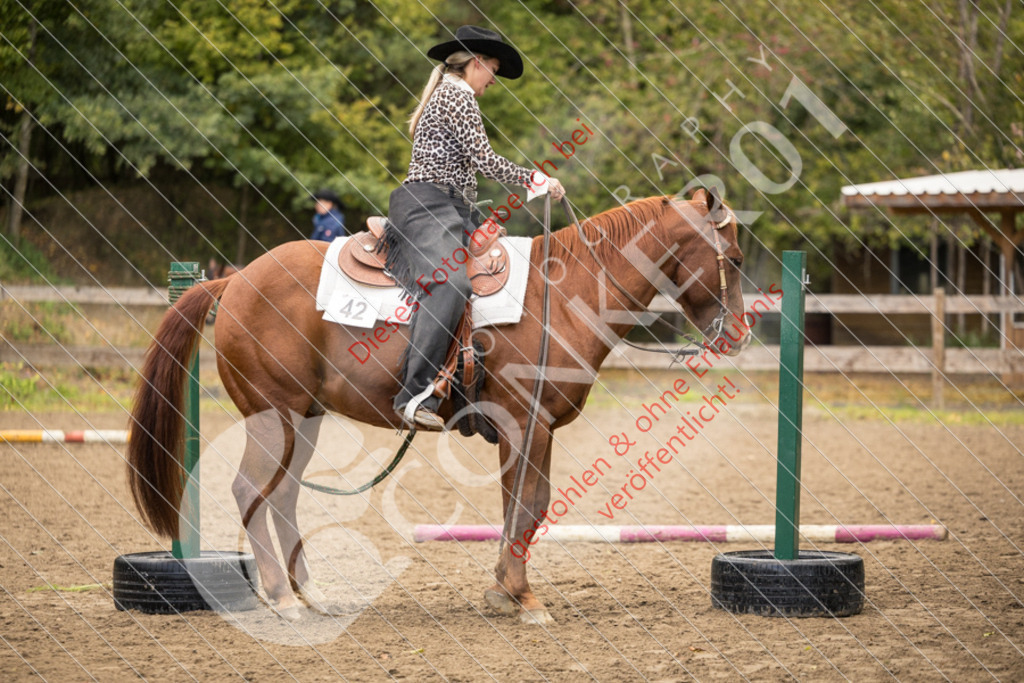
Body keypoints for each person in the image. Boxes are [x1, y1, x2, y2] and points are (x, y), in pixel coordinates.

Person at [383, 25, 565, 431]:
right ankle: (415, 393)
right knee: (449, 283)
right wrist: (536, 179)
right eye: (493, 71)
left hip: (454, 209)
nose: (493, 80)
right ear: (477, 62)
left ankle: (480, 391)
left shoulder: (453, 95)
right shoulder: (456, 96)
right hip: (427, 205)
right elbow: (485, 160)